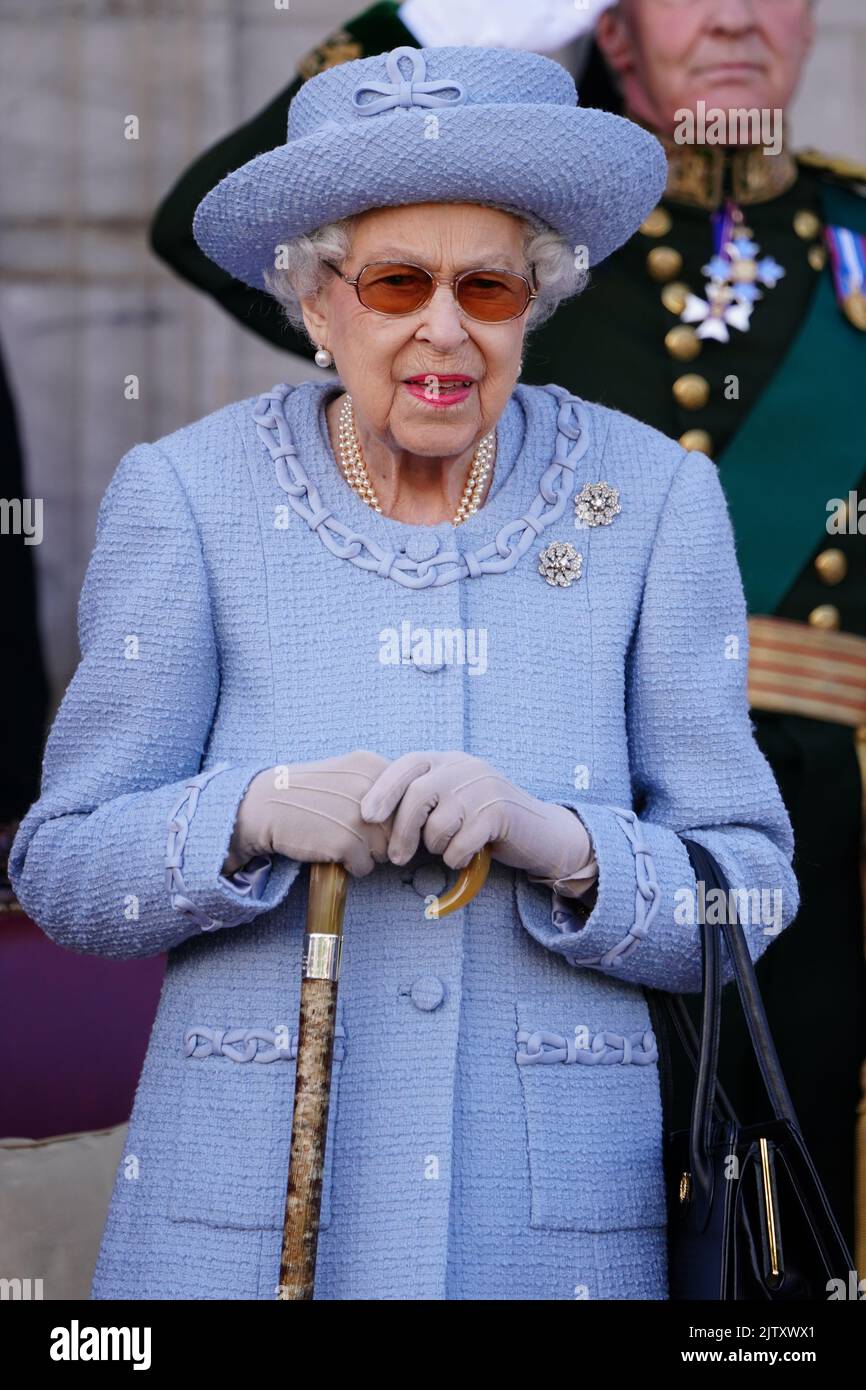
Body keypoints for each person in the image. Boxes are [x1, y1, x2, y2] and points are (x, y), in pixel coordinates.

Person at [11, 43, 797, 1301]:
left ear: (533, 302)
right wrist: (249, 813)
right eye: (396, 282)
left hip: (545, 1240)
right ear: (318, 304)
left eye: (486, 288)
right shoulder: (190, 496)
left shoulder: (653, 501)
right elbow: (59, 869)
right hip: (248, 1222)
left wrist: (564, 843)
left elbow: (747, 894)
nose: (444, 328)